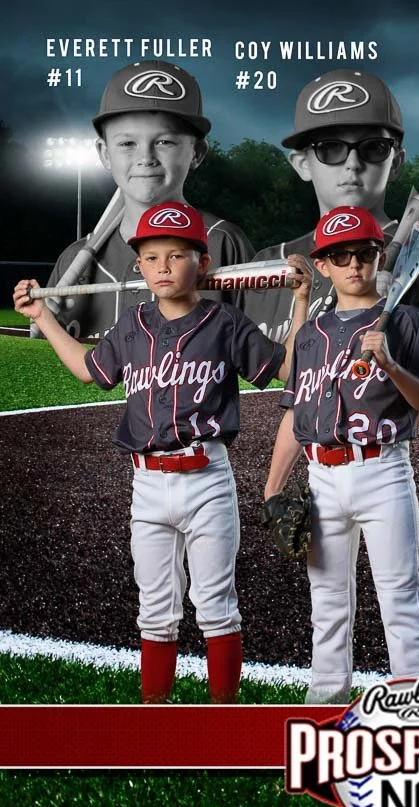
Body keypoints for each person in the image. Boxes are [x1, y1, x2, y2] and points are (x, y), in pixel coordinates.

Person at [14, 200, 308, 703]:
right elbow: (89, 370)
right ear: (139, 266)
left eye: (176, 255)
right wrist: (42, 314)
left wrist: (300, 303)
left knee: (216, 607)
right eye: (151, 258)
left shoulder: (224, 323)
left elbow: (289, 370)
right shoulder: (131, 325)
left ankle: (222, 718)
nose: (163, 267)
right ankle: (156, 716)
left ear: (203, 262)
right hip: (147, 485)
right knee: (155, 611)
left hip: (207, 480)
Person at [261, 207, 419, 704]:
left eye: (363, 253)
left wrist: (390, 364)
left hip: (382, 471)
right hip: (321, 476)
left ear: (378, 256)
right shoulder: (310, 334)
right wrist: (273, 487)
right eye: (339, 256)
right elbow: (296, 411)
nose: (354, 264)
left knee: (400, 597)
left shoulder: (404, 320)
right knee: (327, 602)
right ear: (323, 265)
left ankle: (418, 710)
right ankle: (325, 703)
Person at [239, 69, 419, 337]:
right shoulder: (267, 264)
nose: (353, 163)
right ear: (302, 164)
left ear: (395, 163)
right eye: (329, 148)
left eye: (374, 147)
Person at [45, 61, 251, 340]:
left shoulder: (223, 243)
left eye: (164, 141)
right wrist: (45, 324)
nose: (146, 158)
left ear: (197, 152)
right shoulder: (74, 260)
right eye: (127, 143)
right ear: (104, 153)